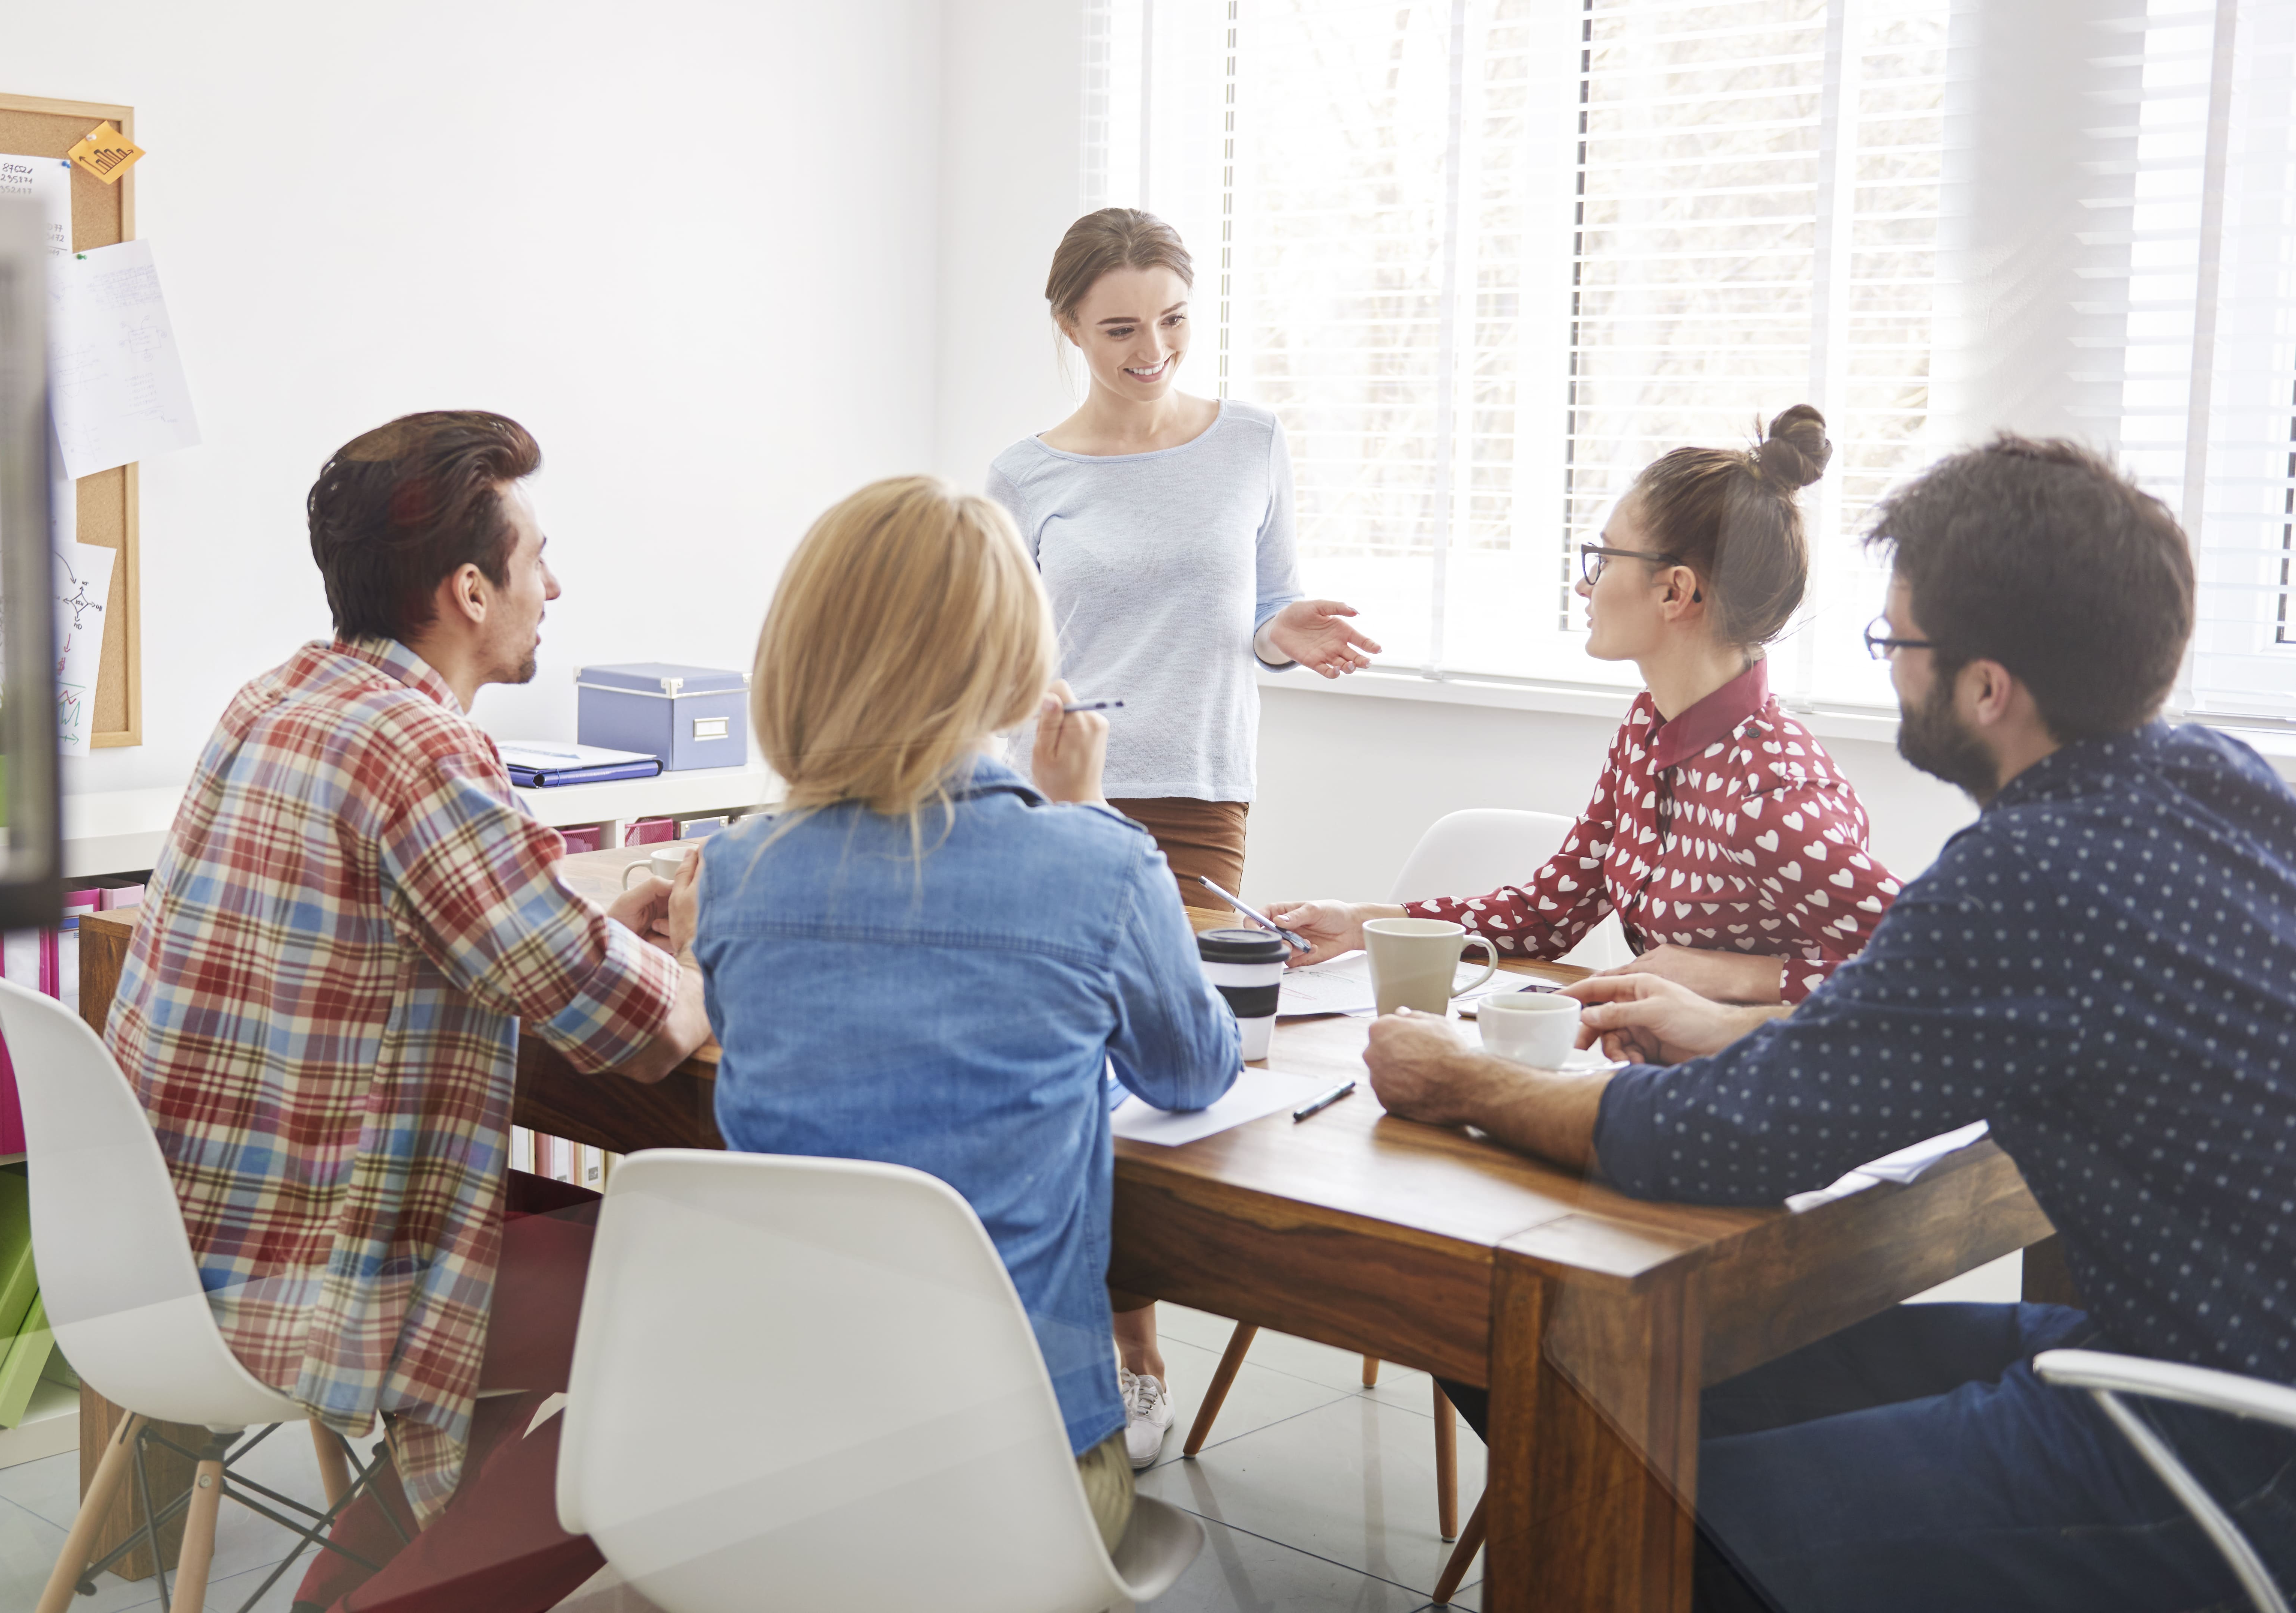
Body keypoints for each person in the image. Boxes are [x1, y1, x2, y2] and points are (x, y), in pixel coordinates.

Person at [1361, 435, 2296, 1611]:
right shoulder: (2222, 777)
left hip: (2222, 1443)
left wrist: (1459, 1079)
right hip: (2204, 1352)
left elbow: (1722, 1140)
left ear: (1986, 689)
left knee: (1611, 1504)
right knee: (1625, 1381)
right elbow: (1915, 1036)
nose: (1888, 668)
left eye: (1895, 644)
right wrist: (1747, 1031)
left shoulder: (2022, 875)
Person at [104, 412, 711, 1613]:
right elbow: (639, 1034)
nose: (554, 586)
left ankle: (348, 1595)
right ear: (471, 590)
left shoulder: (276, 697)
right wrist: (704, 959)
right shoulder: (422, 749)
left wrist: (598, 935)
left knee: (611, 1247)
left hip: (168, 1245)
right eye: (539, 557)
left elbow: (463, 933)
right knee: (705, 1308)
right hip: (303, 1272)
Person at [688, 475, 1241, 1515]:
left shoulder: (736, 869)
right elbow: (1195, 1072)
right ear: (1015, 666)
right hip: (1016, 1484)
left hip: (774, 1470)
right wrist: (1088, 813)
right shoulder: (1101, 865)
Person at [989, 207, 1375, 1434]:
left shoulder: (1250, 440)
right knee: (1075, 1071)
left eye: (1170, 320)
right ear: (1067, 327)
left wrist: (1283, 634)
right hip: (1062, 788)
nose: (1150, 349)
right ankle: (1113, 1346)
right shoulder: (1025, 476)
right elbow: (1005, 652)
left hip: (1201, 794)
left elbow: (1262, 607)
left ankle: (1132, 1342)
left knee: (1172, 1068)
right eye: (1118, 328)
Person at [1268, 406, 1905, 1007]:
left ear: (1675, 591)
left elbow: (1933, 972)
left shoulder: (1772, 795)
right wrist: (1361, 924)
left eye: (1601, 559)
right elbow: (1549, 912)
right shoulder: (1647, 729)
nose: (1582, 583)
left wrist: (1731, 974)